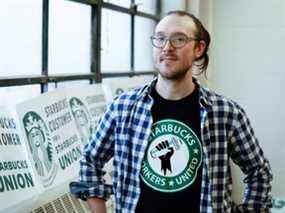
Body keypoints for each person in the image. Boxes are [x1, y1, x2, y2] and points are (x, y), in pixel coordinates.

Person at [70, 10, 273, 213]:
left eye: (178, 39)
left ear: (199, 48)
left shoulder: (226, 113)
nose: (167, 47)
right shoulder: (122, 108)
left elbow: (259, 172)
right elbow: (90, 160)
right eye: (160, 38)